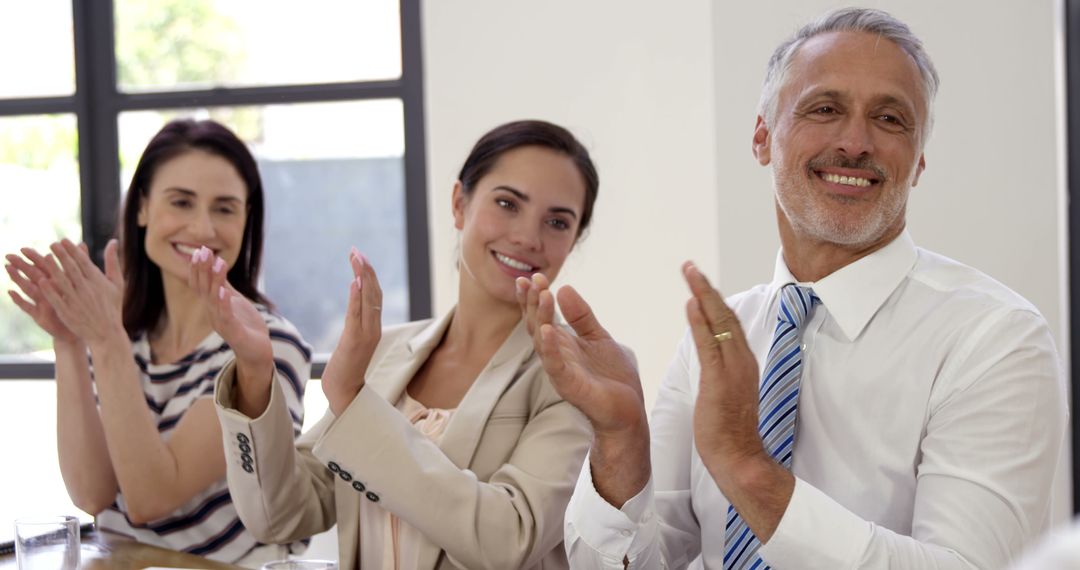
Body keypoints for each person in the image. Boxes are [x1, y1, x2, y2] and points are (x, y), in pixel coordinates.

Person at [517, 7, 1066, 569]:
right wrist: (620, 443)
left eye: (891, 119)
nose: (856, 142)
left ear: (919, 159)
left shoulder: (995, 339)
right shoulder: (721, 339)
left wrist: (748, 468)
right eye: (824, 109)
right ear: (762, 138)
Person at [200, 119, 598, 569]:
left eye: (558, 221)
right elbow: (281, 515)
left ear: (575, 239)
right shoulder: (386, 352)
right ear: (459, 204)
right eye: (507, 203)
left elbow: (509, 539)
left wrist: (353, 401)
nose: (528, 236)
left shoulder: (576, 376)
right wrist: (254, 370)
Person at [3, 119, 310, 566]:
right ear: (142, 208)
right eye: (181, 202)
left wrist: (105, 340)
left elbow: (152, 497)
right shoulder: (121, 334)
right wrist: (70, 341)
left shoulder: (267, 346)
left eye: (225, 209)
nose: (203, 228)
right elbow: (92, 492)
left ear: (247, 221)